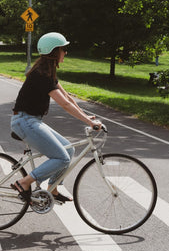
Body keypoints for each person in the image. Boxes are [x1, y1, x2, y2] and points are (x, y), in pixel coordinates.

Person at [10, 32, 101, 204]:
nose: (65, 53)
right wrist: (89, 122)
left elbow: (68, 99)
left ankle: (53, 189)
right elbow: (64, 105)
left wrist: (85, 115)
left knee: (69, 149)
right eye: (63, 49)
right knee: (62, 158)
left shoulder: (48, 73)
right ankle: (24, 182)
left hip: (31, 120)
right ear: (54, 52)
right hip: (24, 121)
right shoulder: (42, 75)